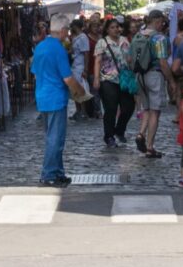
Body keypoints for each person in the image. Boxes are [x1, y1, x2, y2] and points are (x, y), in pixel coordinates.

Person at [32, 13, 88, 186]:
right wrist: (80, 91)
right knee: (55, 138)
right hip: (55, 97)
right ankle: (49, 174)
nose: (68, 34)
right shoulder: (59, 49)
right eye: (67, 31)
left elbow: (34, 72)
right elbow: (68, 78)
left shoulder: (40, 47)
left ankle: (57, 172)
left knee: (53, 136)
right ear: (63, 30)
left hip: (42, 95)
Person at [134, 10, 175, 159]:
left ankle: (141, 134)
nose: (162, 25)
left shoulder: (139, 35)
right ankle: (150, 147)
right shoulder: (159, 38)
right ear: (157, 21)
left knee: (146, 108)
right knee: (155, 112)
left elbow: (129, 58)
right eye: (162, 22)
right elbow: (163, 63)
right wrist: (171, 81)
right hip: (155, 74)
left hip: (140, 76)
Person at [92, 18, 135, 147]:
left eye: (117, 27)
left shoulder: (124, 41)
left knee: (128, 107)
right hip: (108, 79)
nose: (116, 29)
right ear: (107, 29)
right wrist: (96, 78)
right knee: (110, 109)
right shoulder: (102, 42)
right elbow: (98, 61)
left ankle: (119, 130)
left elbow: (129, 57)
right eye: (112, 27)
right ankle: (109, 136)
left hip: (124, 78)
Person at [68, 19, 92, 121]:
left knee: (81, 89)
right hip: (74, 66)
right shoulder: (75, 38)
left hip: (80, 66)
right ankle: (78, 110)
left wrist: (85, 69)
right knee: (75, 90)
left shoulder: (83, 38)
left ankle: (83, 111)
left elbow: (86, 53)